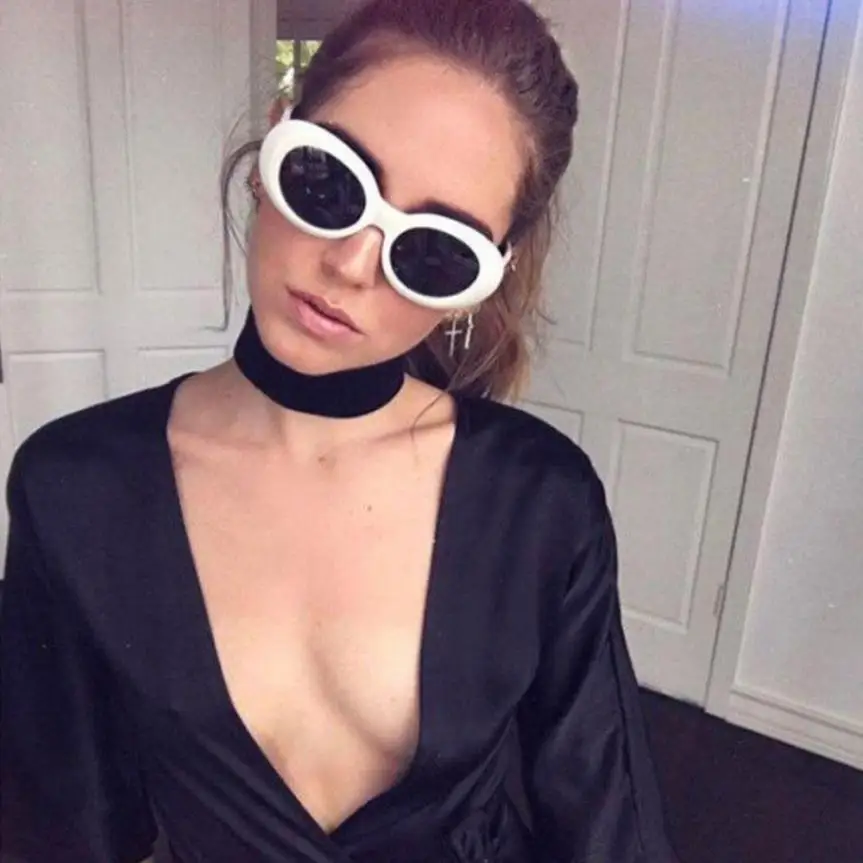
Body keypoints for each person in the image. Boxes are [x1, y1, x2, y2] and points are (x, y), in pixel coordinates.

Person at [0, 0, 679, 861]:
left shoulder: (541, 501)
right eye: (330, 182)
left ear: (483, 280)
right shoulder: (73, 485)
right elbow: (66, 826)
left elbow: (609, 828)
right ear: (274, 145)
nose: (351, 264)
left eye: (435, 249)